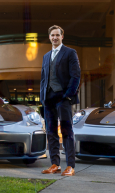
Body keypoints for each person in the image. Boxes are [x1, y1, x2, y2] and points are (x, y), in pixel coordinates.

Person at [40, 25, 81, 176]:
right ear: (49, 37)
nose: (55, 37)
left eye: (57, 35)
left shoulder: (70, 53)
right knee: (51, 132)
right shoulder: (46, 56)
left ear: (62, 37)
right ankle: (55, 164)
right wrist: (42, 97)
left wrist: (68, 96)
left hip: (62, 98)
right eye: (52, 35)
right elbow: (44, 79)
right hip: (48, 99)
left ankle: (70, 165)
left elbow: (76, 76)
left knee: (66, 131)